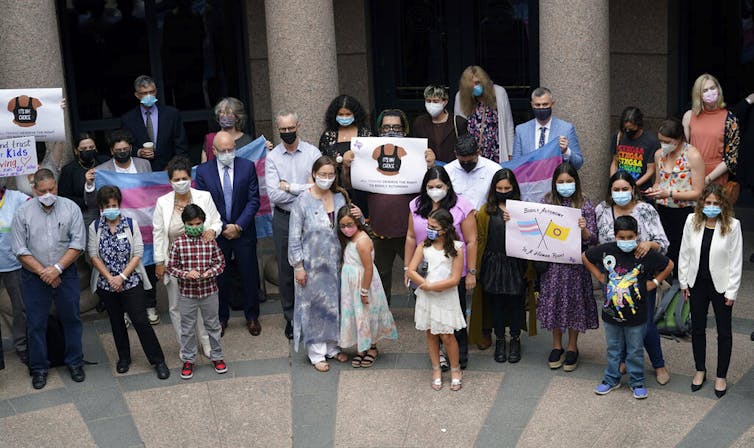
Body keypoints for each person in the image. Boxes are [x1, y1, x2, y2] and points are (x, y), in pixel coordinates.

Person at [346, 109, 435, 304]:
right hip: (379, 229)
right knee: (380, 274)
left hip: (410, 230)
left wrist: (430, 165)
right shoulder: (369, 152)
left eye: (396, 127)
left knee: (420, 272)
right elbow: (350, 183)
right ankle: (382, 316)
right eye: (386, 127)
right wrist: (348, 165)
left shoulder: (415, 153)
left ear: (405, 130)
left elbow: (433, 185)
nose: (391, 131)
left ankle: (426, 311)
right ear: (379, 129)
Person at [11, 169, 86, 389]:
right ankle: (39, 368)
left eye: (51, 189)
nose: (48, 194)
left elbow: (77, 244)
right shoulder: (23, 212)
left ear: (56, 186)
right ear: (34, 190)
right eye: (42, 191)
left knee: (72, 319)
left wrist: (57, 269)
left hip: (66, 273)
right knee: (35, 324)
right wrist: (45, 272)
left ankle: (75, 362)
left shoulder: (70, 208)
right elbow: (20, 249)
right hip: (34, 277)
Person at [584, 215, 673, 400]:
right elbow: (586, 257)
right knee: (613, 348)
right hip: (611, 313)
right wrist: (600, 277)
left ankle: (637, 382)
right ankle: (611, 379)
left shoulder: (644, 253)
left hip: (637, 316)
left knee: (634, 350)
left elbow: (669, 264)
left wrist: (654, 282)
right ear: (615, 235)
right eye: (621, 238)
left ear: (637, 235)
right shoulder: (606, 250)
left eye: (630, 237)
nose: (626, 241)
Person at [595, 171, 671, 385]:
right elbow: (594, 240)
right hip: (612, 280)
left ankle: (658, 364)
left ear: (633, 189)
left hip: (641, 279)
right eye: (616, 189)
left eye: (625, 189)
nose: (621, 193)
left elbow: (663, 243)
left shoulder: (645, 210)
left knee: (644, 324)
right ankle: (621, 360)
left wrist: (649, 245)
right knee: (617, 322)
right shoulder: (602, 210)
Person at [87, 186, 169, 379]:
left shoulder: (131, 224)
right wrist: (110, 278)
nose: (111, 209)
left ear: (120, 205)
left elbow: (138, 253)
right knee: (116, 322)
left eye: (114, 205)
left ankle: (158, 361)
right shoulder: (95, 227)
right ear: (101, 207)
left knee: (141, 321)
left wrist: (122, 277)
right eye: (107, 206)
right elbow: (93, 255)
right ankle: (124, 358)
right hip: (107, 284)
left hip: (130, 282)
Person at [404, 167, 476, 370]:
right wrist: (407, 268)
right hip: (424, 271)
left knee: (454, 315)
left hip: (453, 271)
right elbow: (410, 236)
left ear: (447, 186)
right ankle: (440, 357)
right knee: (430, 316)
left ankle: (459, 355)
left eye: (439, 186)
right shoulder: (416, 205)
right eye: (430, 187)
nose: (435, 190)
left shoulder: (462, 205)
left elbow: (471, 241)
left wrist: (471, 271)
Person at [153, 156, 222, 358]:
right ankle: (186, 345)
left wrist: (212, 231)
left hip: (201, 263)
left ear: (190, 178)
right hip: (175, 264)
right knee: (176, 307)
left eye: (184, 177)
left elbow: (217, 222)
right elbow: (158, 233)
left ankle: (207, 344)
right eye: (176, 179)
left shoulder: (204, 197)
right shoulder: (162, 202)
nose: (181, 182)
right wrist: (160, 262)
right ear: (170, 182)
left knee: (202, 306)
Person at [288, 156, 352, 372]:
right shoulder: (302, 201)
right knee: (314, 307)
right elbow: (294, 236)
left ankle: (332, 347)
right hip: (311, 264)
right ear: (314, 174)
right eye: (322, 174)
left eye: (330, 174)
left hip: (336, 262)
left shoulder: (340, 198)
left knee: (334, 303)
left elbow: (346, 227)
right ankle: (316, 353)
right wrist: (298, 266)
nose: (326, 178)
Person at [195, 131, 262, 337]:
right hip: (217, 232)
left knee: (249, 275)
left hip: (244, 231)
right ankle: (221, 318)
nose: (227, 153)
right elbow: (204, 204)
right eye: (222, 150)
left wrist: (239, 225)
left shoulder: (247, 167)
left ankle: (252, 316)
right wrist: (223, 227)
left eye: (230, 149)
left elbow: (254, 200)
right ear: (213, 151)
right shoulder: (203, 172)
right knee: (219, 278)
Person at [678, 184, 742, 398]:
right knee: (697, 328)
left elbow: (736, 261)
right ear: (702, 203)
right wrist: (683, 282)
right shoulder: (691, 221)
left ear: (723, 205)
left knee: (724, 332)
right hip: (697, 283)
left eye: (716, 203)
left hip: (721, 286)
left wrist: (731, 292)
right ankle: (700, 369)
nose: (712, 207)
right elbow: (684, 252)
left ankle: (721, 375)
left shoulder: (733, 226)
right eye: (708, 203)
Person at [90, 129, 158, 325]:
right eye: (118, 149)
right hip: (117, 226)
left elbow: (151, 189)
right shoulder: (103, 169)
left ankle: (150, 306)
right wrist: (88, 184)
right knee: (124, 265)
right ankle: (128, 311)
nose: (122, 152)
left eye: (125, 148)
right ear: (112, 151)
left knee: (149, 265)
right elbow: (93, 200)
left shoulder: (144, 164)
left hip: (144, 222)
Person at [265, 111, 322, 340]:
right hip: (283, 218)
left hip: (310, 217)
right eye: (283, 129)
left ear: (298, 125)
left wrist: (288, 187)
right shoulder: (272, 158)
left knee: (312, 265)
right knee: (286, 270)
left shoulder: (313, 153)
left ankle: (314, 312)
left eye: (291, 128)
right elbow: (273, 195)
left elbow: (318, 187)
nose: (287, 132)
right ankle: (290, 317)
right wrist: (304, 189)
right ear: (277, 128)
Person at [538, 162, 598, 372]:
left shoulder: (585, 204)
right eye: (561, 182)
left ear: (576, 182)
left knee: (574, 304)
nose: (565, 185)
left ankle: (572, 347)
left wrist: (584, 230)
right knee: (554, 303)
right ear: (555, 183)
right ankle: (556, 346)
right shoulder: (546, 203)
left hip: (576, 266)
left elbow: (594, 239)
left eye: (569, 181)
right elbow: (535, 229)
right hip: (554, 265)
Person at [469, 169, 527, 363]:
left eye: (507, 188)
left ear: (514, 188)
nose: (503, 191)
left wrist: (516, 221)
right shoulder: (486, 210)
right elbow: (479, 239)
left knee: (515, 304)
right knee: (496, 304)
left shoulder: (521, 209)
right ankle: (500, 340)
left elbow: (530, 235)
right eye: (499, 188)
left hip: (515, 263)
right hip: (492, 263)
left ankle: (515, 339)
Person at [166, 204, 228, 380]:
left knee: (213, 325)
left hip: (209, 292)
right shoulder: (178, 243)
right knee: (187, 329)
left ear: (203, 222)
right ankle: (188, 360)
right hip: (187, 294)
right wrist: (186, 274)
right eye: (191, 224)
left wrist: (210, 272)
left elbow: (220, 263)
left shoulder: (210, 241)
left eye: (198, 223)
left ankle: (217, 356)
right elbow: (171, 267)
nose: (195, 227)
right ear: (184, 223)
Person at [407, 208, 466, 391]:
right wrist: (425, 284)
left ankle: (455, 369)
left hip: (446, 297)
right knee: (431, 333)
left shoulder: (457, 248)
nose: (429, 230)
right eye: (428, 226)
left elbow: (455, 279)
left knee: (447, 335)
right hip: (428, 296)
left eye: (434, 227)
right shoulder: (423, 246)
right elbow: (411, 270)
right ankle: (436, 369)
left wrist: (434, 287)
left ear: (446, 229)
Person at [336, 206, 398, 368]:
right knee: (358, 316)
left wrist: (363, 291)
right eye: (342, 226)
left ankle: (372, 348)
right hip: (351, 285)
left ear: (357, 223)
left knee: (367, 315)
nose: (346, 229)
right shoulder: (349, 239)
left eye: (350, 225)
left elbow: (368, 268)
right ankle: (361, 348)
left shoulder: (362, 241)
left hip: (363, 283)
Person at [645, 118, 705, 272]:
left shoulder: (692, 155)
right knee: (665, 249)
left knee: (683, 250)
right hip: (664, 209)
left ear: (678, 139)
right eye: (660, 141)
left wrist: (670, 193)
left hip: (685, 211)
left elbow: (698, 192)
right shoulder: (660, 155)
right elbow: (658, 181)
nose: (663, 144)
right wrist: (654, 189)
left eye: (667, 141)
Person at [682, 74, 739, 186]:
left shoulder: (730, 119)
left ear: (718, 89)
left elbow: (731, 159)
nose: (710, 92)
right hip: (691, 174)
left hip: (716, 177)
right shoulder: (689, 116)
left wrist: (707, 179)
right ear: (698, 94)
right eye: (705, 90)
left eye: (712, 88)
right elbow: (683, 150)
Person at [121, 75, 188, 171]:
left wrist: (176, 167)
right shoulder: (128, 119)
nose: (149, 96)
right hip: (141, 171)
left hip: (169, 170)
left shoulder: (171, 114)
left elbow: (181, 145)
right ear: (137, 95)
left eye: (152, 92)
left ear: (156, 91)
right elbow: (124, 146)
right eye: (144, 93)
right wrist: (139, 152)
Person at [512, 87, 584, 170]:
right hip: (530, 180)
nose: (541, 107)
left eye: (545, 104)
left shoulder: (566, 129)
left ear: (552, 104)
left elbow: (578, 163)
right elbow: (516, 164)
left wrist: (566, 151)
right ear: (532, 105)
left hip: (555, 180)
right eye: (537, 105)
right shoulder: (521, 130)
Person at [453, 65, 514, 163]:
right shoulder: (460, 97)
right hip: (472, 155)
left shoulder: (499, 93)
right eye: (471, 85)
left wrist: (510, 153)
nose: (475, 87)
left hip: (495, 151)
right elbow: (459, 128)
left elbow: (508, 124)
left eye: (477, 83)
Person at [0, 183, 29, 364]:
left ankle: (22, 345)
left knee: (21, 308)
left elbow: (36, 204)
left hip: (13, 263)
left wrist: (32, 182)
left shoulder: (16, 197)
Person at [59, 132, 109, 226]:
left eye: (91, 147)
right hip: (83, 214)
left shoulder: (104, 162)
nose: (88, 150)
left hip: (108, 210)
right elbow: (64, 197)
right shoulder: (69, 170)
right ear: (76, 151)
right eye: (84, 149)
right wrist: (88, 202)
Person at [412, 84, 468, 163]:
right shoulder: (419, 123)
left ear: (445, 102)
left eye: (435, 101)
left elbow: (465, 149)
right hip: (429, 171)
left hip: (452, 170)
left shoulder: (458, 122)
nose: (431, 104)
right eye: (428, 101)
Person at [609, 107, 660, 193]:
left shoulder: (651, 141)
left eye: (631, 129)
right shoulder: (619, 136)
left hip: (641, 190)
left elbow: (651, 170)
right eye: (626, 129)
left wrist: (633, 185)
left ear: (639, 126)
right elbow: (615, 162)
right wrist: (614, 181)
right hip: (620, 187)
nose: (628, 132)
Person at [445, 133, 501, 209]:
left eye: (470, 161)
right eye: (462, 162)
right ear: (456, 155)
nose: (466, 164)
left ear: (478, 153)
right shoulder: (448, 171)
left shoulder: (494, 169)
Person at [200, 97, 255, 163]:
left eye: (228, 113)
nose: (224, 116)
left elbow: (253, 164)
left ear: (237, 118)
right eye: (221, 112)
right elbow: (203, 167)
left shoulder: (246, 140)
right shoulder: (210, 139)